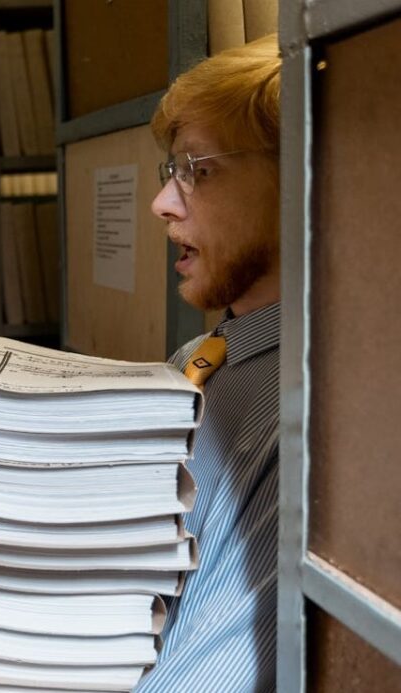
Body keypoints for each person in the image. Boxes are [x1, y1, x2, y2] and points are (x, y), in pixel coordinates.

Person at [135, 35, 281, 692]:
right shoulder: (194, 361)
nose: (164, 204)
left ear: (296, 175)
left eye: (200, 169)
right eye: (172, 171)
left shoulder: (315, 405)